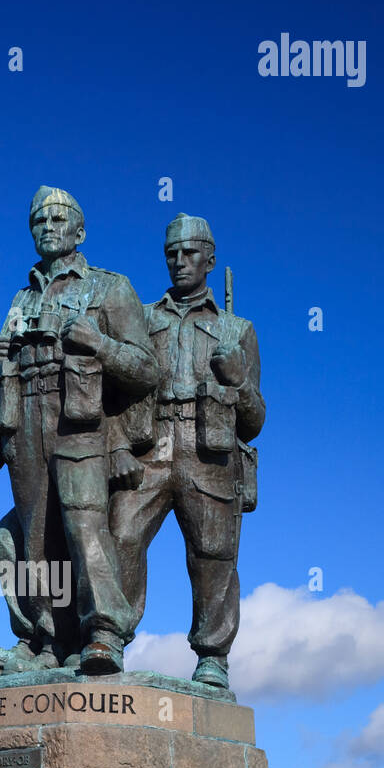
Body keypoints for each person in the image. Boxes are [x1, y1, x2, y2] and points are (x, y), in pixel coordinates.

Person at [0, 186, 158, 676]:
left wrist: (97, 343)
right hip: (25, 421)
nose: (47, 227)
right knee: (35, 536)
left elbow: (145, 369)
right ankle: (44, 641)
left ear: (80, 231)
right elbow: (1, 364)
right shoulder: (22, 295)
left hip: (80, 420)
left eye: (57, 219)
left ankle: (102, 633)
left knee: (83, 523)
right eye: (38, 221)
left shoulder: (109, 287)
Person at [109, 213, 265, 689]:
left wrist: (238, 382)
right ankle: (109, 637)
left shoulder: (238, 330)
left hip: (209, 454)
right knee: (121, 535)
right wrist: (117, 444)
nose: (179, 261)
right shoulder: (143, 316)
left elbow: (255, 421)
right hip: (149, 445)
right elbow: (115, 389)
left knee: (213, 555)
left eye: (190, 253)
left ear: (210, 260)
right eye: (171, 253)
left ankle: (213, 656)